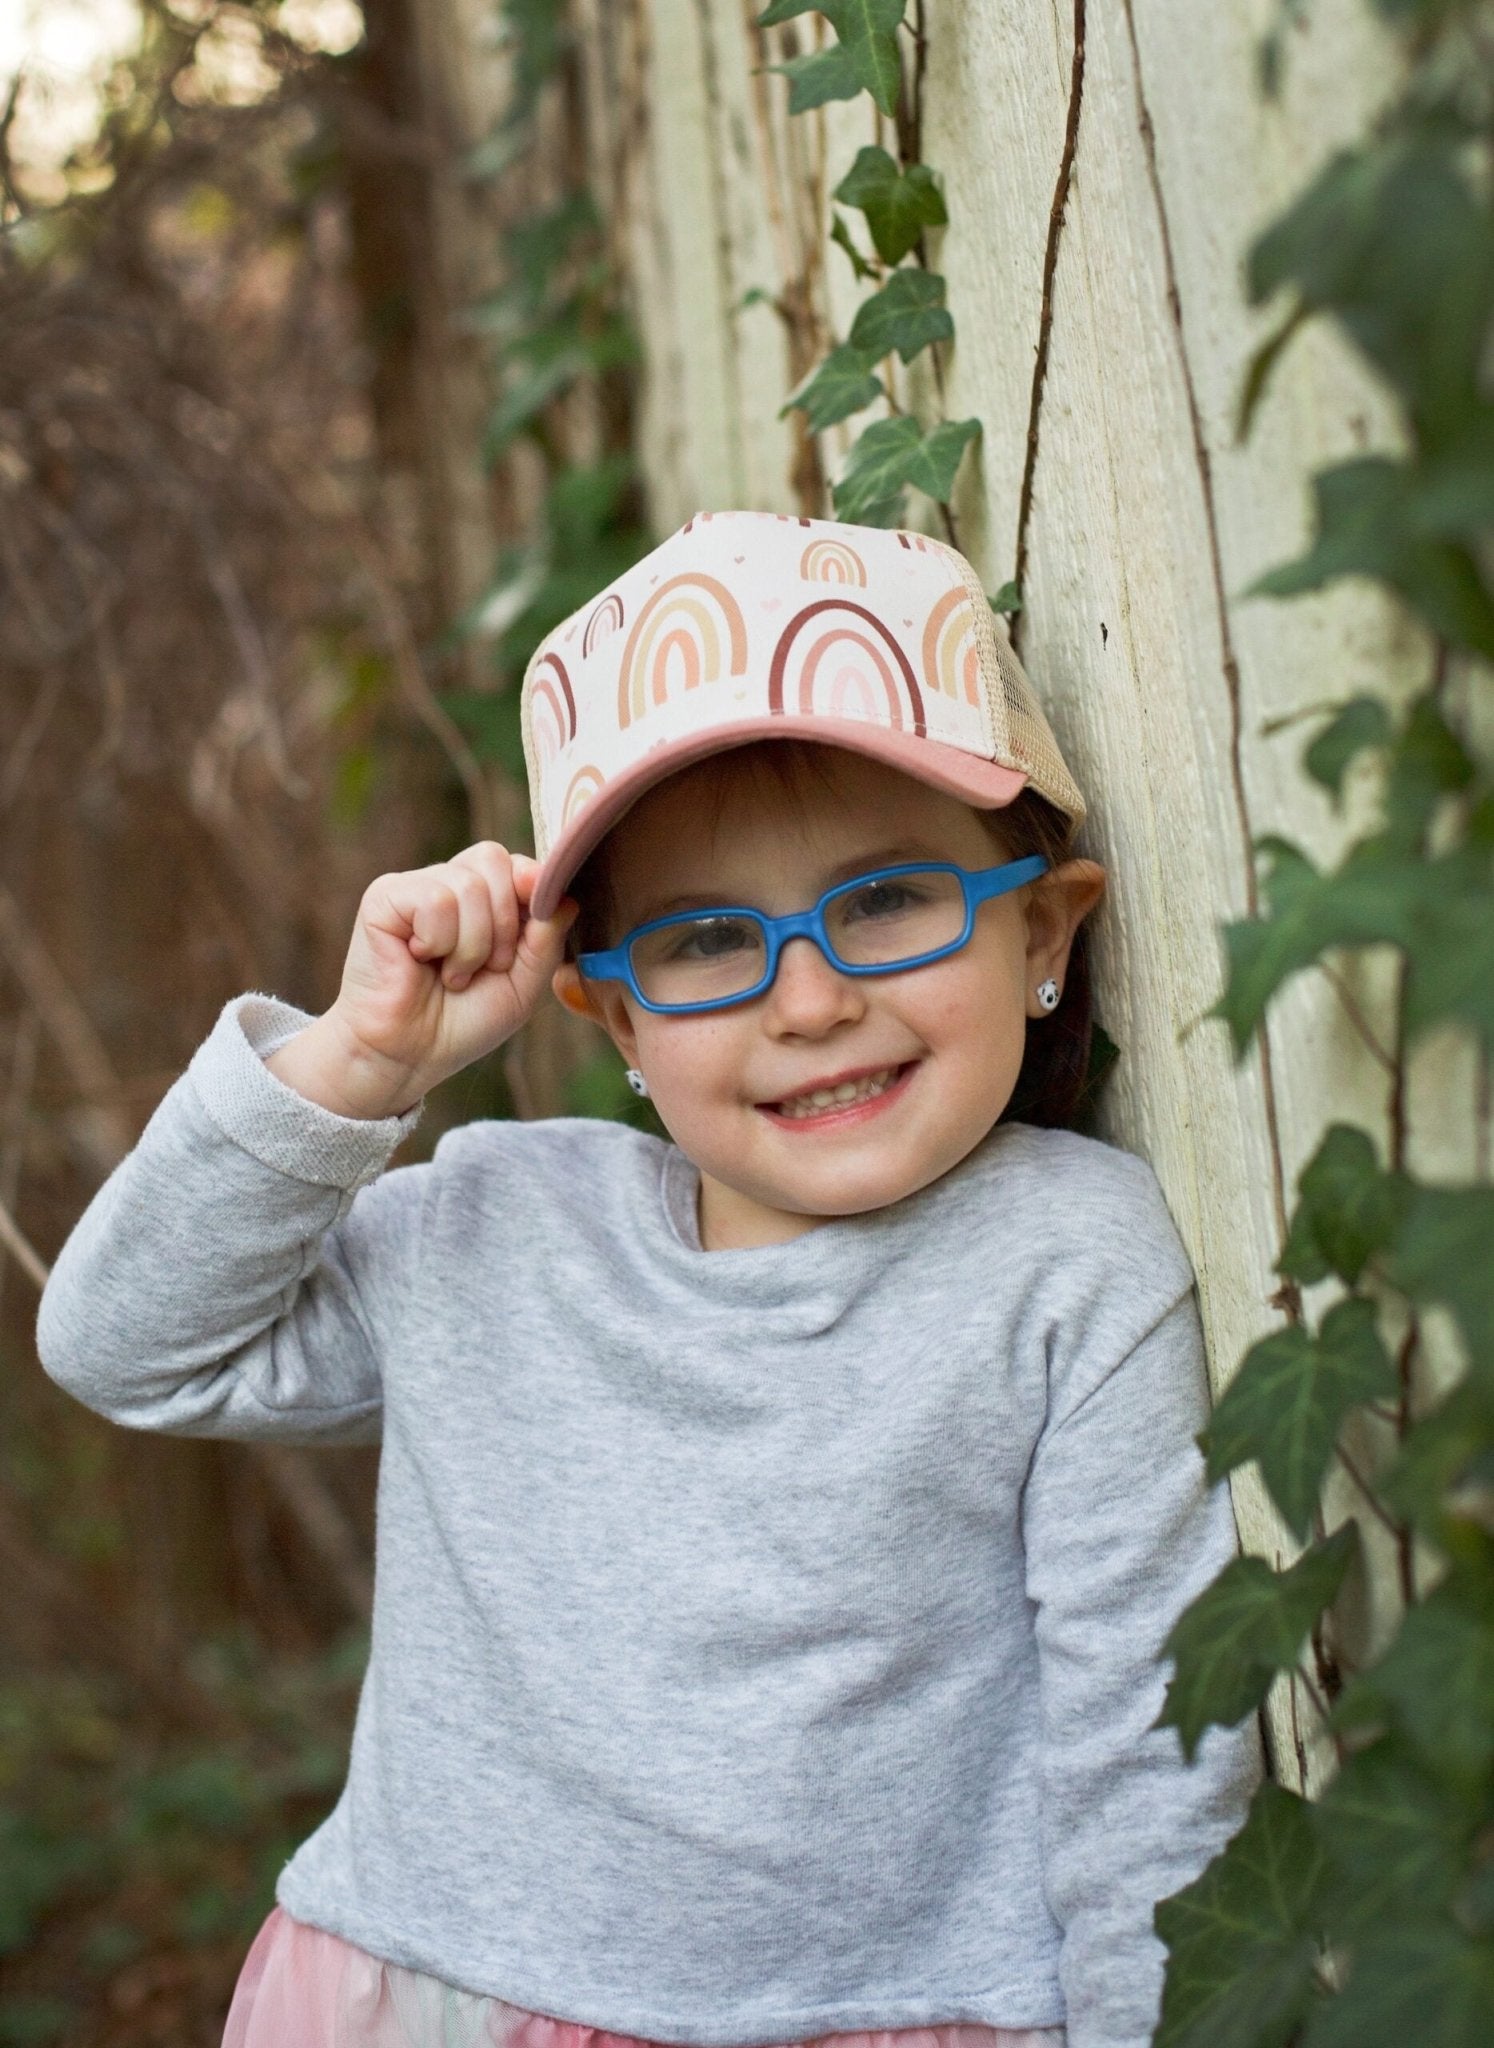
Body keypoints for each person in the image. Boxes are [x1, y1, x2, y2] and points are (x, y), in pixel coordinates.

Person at [36, 510, 1260, 2048]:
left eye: (882, 901)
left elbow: (1144, 1743)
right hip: (431, 1997)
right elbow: (126, 1347)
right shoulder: (494, 1226)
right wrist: (354, 1066)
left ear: (1040, 930)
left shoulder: (1068, 1262)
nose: (807, 1001)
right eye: (701, 942)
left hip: (889, 2011)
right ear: (613, 1023)